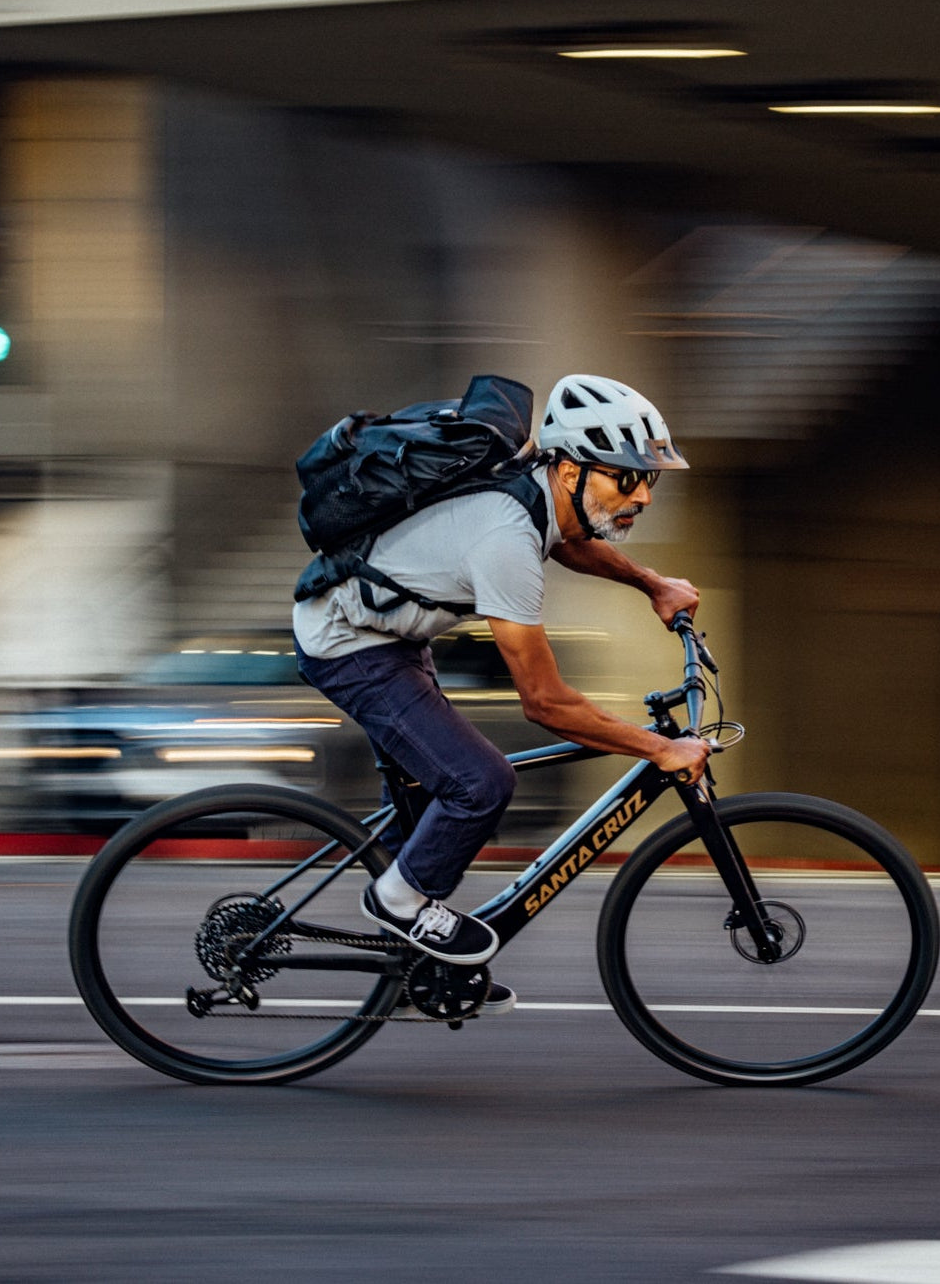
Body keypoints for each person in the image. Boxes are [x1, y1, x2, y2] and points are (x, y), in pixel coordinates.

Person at [292, 375, 712, 1014]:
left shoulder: (536, 494)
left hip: (389, 632)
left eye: (649, 479)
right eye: (626, 477)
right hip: (349, 643)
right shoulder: (504, 539)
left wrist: (651, 583)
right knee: (480, 783)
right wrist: (657, 748)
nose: (643, 494)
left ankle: (414, 969)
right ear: (571, 469)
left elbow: (572, 542)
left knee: (433, 795)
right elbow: (544, 703)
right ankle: (399, 903)